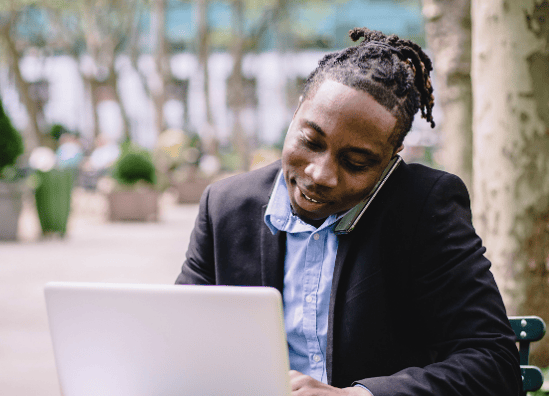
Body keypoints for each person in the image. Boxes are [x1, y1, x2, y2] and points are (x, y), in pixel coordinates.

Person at [175, 28, 521, 396]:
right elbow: (176, 337)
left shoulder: (426, 207)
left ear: (392, 157)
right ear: (296, 112)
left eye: (356, 163)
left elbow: (494, 363)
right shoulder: (225, 207)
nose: (319, 174)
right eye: (310, 141)